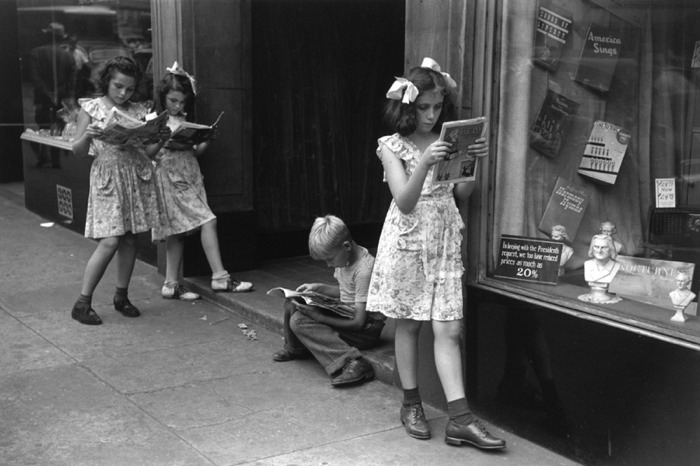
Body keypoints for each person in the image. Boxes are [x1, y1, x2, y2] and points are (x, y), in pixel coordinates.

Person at [366, 58, 505, 450]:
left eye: (437, 107)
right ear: (407, 107)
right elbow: (405, 202)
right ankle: (411, 403)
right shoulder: (391, 147)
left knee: (449, 328)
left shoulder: (448, 139)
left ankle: (460, 419)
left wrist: (469, 160)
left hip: (443, 238)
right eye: (422, 107)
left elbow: (462, 195)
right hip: (408, 239)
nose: (430, 115)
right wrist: (425, 162)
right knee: (409, 324)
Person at [70, 56, 164, 325]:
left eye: (130, 89)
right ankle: (82, 303)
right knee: (110, 240)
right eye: (118, 86)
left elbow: (146, 152)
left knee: (131, 239)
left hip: (132, 176)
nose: (124, 93)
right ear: (106, 82)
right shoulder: (90, 108)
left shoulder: (139, 110)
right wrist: (88, 134)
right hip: (107, 178)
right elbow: (76, 152)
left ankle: (121, 297)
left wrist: (160, 140)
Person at [146, 62, 252, 299]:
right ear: (162, 97)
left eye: (182, 101)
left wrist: (206, 139)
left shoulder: (184, 118)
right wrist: (162, 139)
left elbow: (193, 152)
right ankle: (220, 277)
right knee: (207, 220)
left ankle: (171, 284)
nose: (178, 106)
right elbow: (148, 154)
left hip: (189, 173)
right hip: (169, 176)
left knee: (178, 230)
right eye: (173, 101)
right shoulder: (154, 118)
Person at [271, 215, 385, 387]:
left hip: (365, 330)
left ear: (346, 246)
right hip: (348, 316)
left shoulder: (364, 271)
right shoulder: (346, 260)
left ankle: (352, 362)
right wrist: (319, 288)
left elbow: (359, 323)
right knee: (292, 303)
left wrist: (320, 318)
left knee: (299, 321)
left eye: (329, 259)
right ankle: (295, 348)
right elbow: (346, 292)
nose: (328, 265)